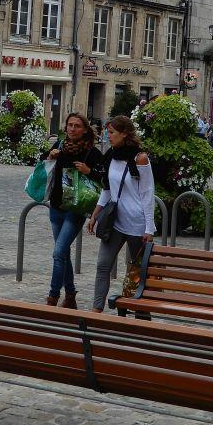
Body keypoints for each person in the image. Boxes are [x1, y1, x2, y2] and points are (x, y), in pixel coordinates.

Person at [85, 115, 154, 313]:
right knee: (103, 265)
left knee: (137, 272)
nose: (109, 136)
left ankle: (139, 312)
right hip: (115, 221)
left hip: (137, 223)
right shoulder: (111, 156)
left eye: (112, 132)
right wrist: (95, 214)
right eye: (108, 132)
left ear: (124, 134)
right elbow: (107, 189)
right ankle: (96, 310)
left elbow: (147, 193)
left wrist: (149, 228)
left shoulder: (139, 158)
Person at [40, 113, 104, 309]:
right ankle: (70, 294)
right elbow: (43, 162)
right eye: (69, 125)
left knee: (59, 252)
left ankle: (52, 297)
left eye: (77, 126)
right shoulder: (59, 146)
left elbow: (105, 178)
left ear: (85, 129)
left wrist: (88, 171)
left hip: (75, 210)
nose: (72, 129)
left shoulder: (91, 153)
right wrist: (49, 156)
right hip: (56, 206)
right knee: (63, 253)